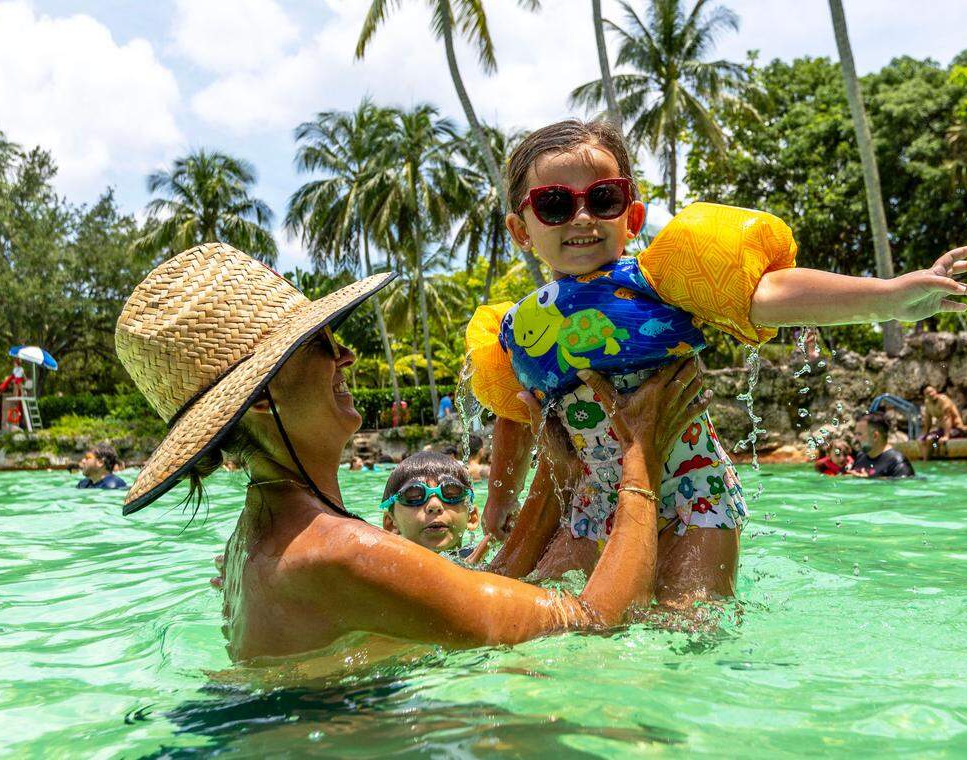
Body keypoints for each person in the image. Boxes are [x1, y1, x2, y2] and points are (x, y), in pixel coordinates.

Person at [116, 242, 707, 662]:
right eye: (322, 344)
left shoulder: (265, 535)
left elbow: (480, 586)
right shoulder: (340, 551)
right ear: (264, 400)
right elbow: (593, 622)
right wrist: (639, 461)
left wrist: (559, 476)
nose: (345, 356)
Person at [467, 119, 967, 600]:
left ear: (633, 218)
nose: (581, 217)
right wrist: (498, 501)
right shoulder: (514, 329)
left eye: (603, 199)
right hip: (591, 499)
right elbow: (515, 414)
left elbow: (767, 293)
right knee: (560, 627)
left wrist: (887, 297)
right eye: (555, 204)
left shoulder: (658, 281)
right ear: (521, 229)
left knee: (690, 628)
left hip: (693, 489)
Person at [380, 451, 478, 553]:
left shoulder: (489, 566)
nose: (434, 505)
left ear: (471, 517)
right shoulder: (381, 567)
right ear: (391, 524)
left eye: (451, 495)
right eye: (414, 498)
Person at [850, 412, 915, 478]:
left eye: (859, 434)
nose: (855, 438)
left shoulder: (897, 462)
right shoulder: (860, 457)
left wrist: (870, 480)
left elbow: (907, 485)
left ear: (875, 436)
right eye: (855, 434)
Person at [919, 385, 966, 459]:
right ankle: (926, 462)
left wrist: (946, 436)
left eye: (932, 391)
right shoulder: (928, 403)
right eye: (927, 393)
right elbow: (928, 420)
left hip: (955, 430)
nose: (931, 394)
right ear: (925, 396)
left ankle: (936, 453)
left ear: (935, 391)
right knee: (929, 439)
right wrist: (925, 434)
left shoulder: (943, 400)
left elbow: (947, 417)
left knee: (937, 440)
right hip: (941, 431)